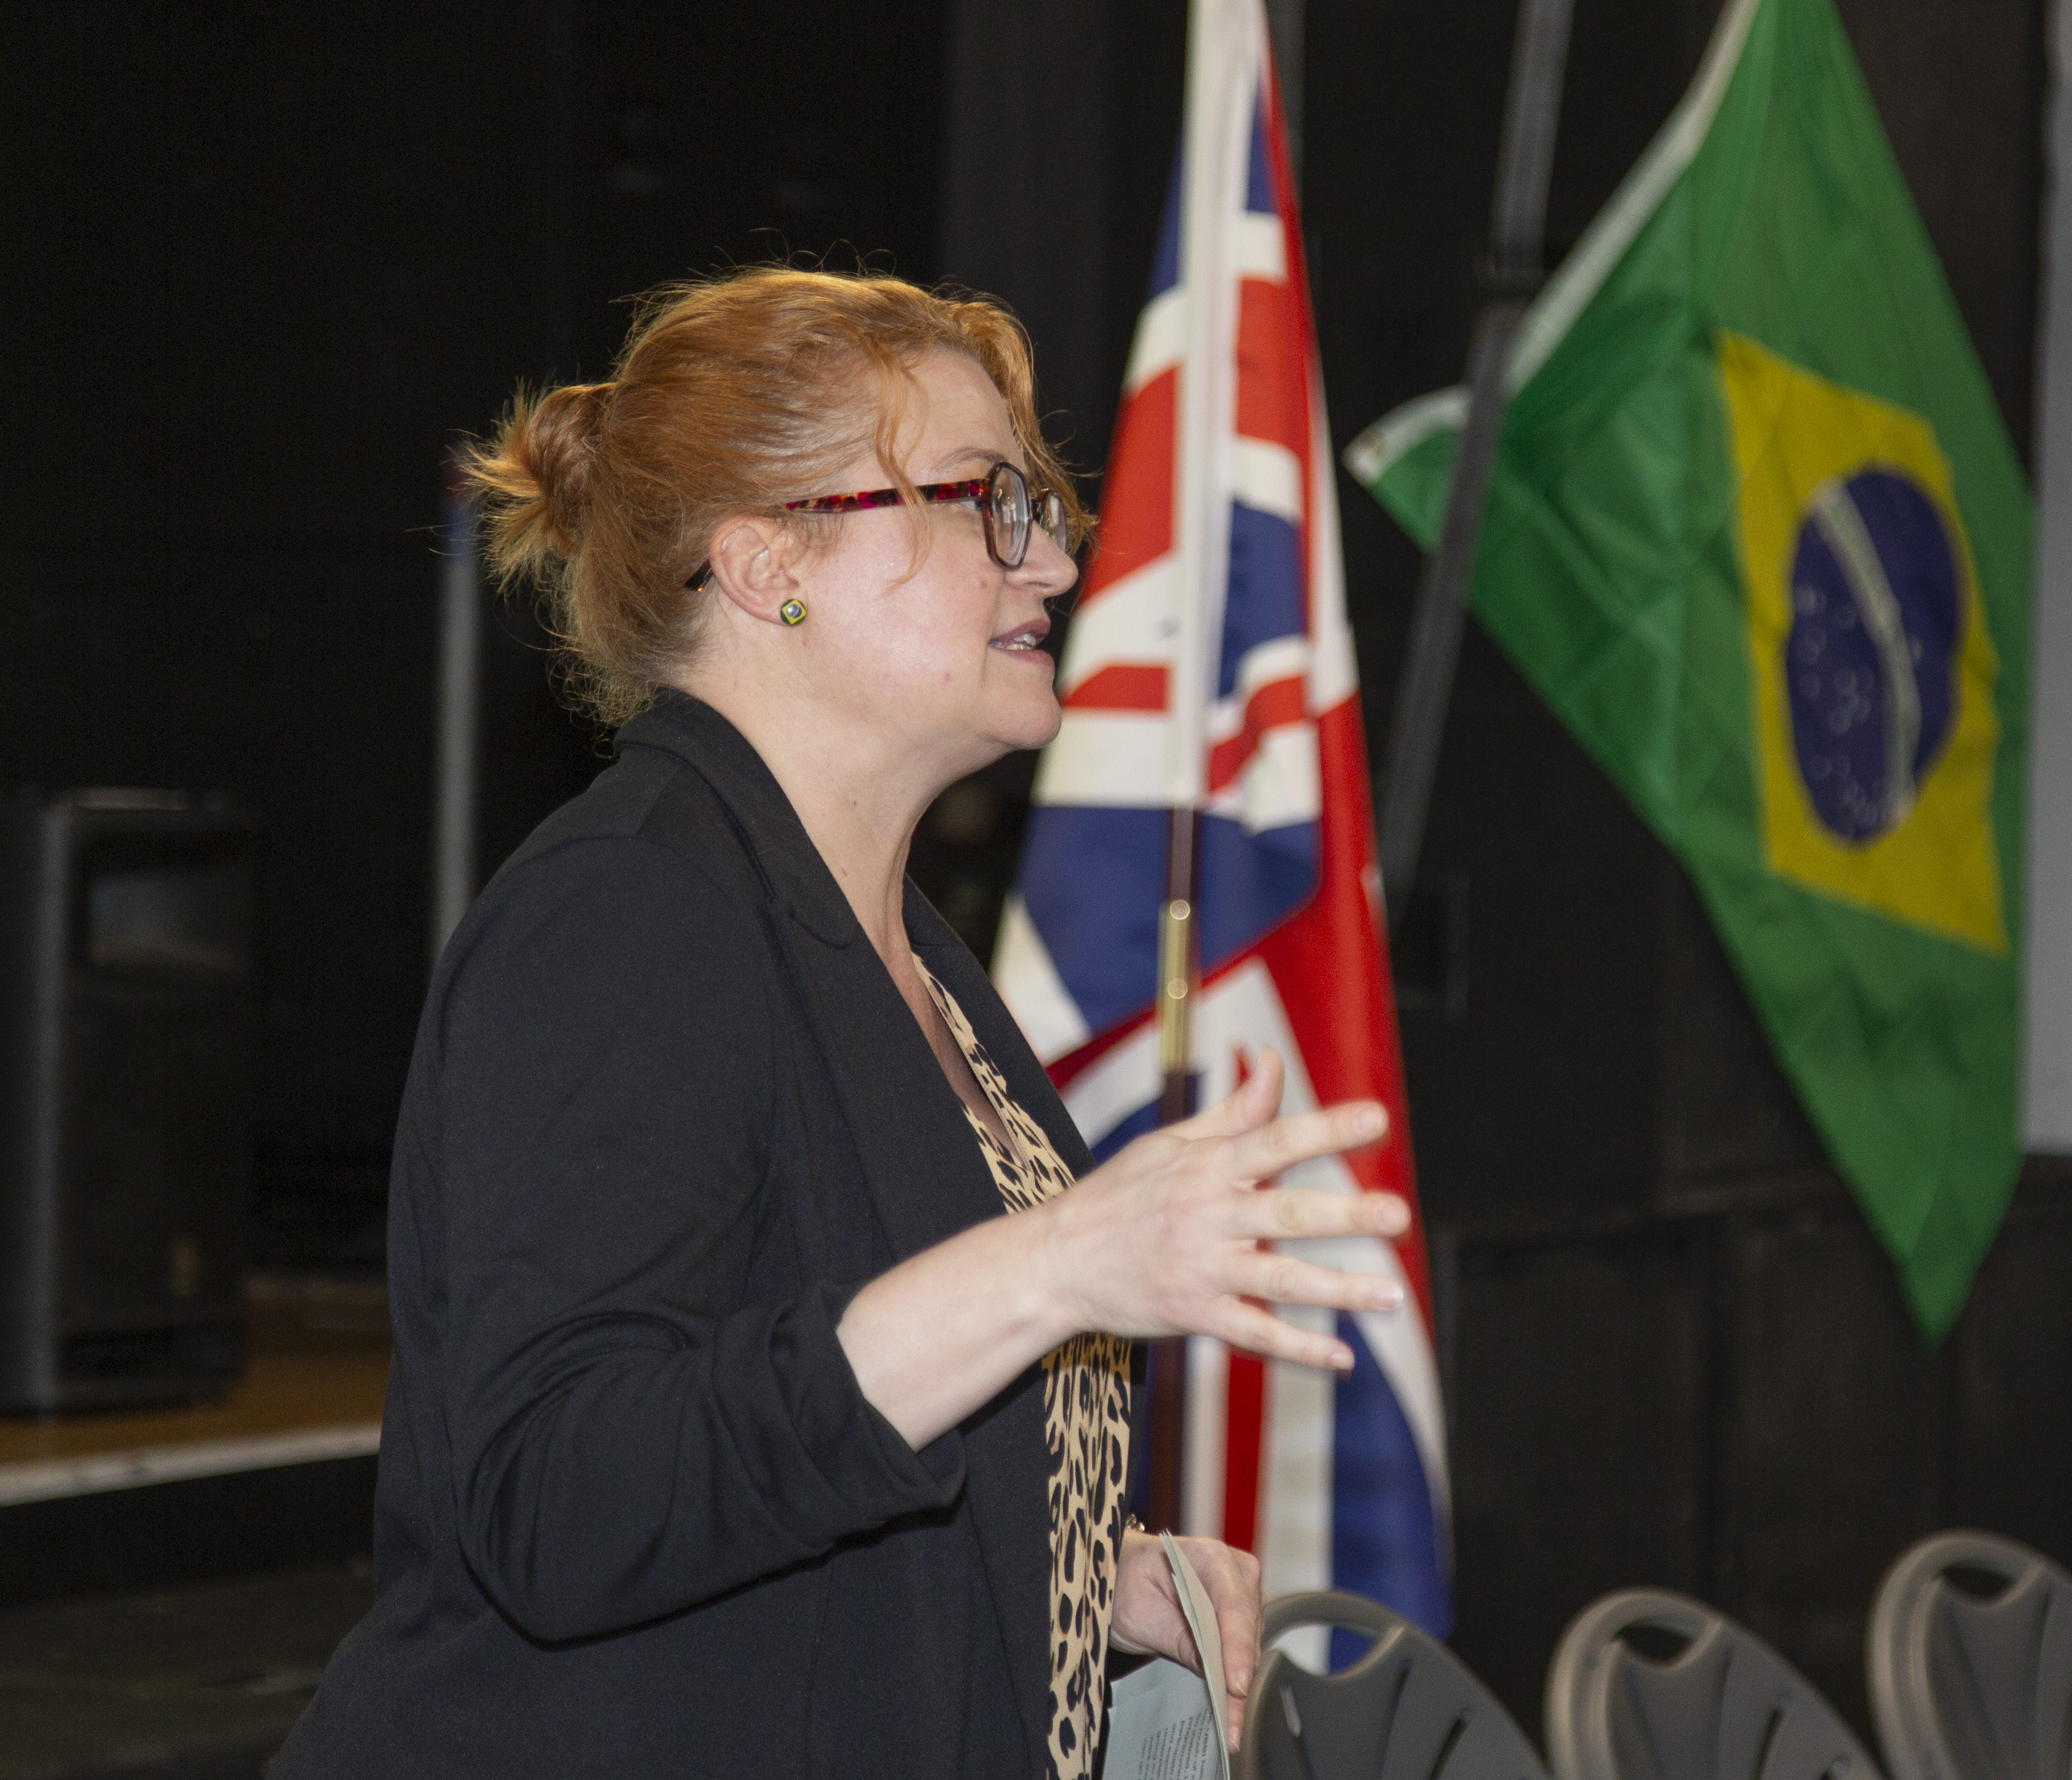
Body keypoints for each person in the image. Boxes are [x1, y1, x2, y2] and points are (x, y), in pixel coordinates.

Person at [271, 267, 1411, 1780]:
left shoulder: (909, 951)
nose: (1053, 563)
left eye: (1038, 507)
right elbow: (560, 1499)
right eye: (981, 501)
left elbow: (840, 1438)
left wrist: (1074, 1581)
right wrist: (1059, 1259)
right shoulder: (626, 911)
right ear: (764, 565)